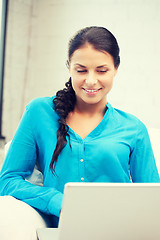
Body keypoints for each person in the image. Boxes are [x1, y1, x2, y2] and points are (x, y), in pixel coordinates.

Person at [0, 26, 159, 237]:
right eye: (81, 70)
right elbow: (8, 180)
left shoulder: (134, 128)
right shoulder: (39, 112)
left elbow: (152, 199)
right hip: (62, 232)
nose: (91, 81)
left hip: (118, 233)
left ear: (116, 68)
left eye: (101, 70)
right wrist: (56, 200)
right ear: (69, 68)